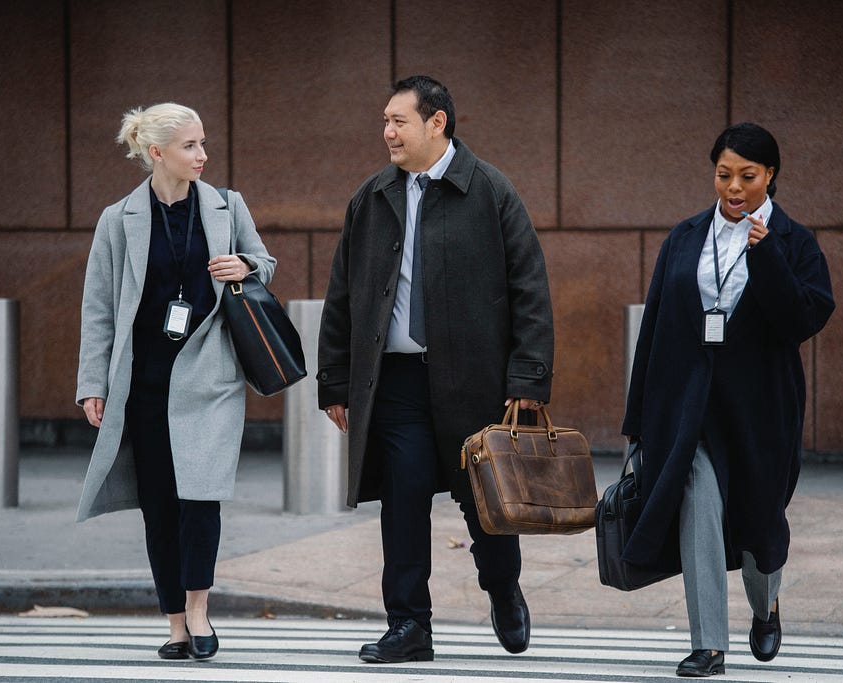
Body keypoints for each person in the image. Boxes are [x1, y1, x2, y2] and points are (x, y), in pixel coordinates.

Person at [317, 75, 554, 663]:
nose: (388, 132)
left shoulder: (490, 191)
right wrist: (335, 380)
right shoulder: (370, 198)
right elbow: (342, 295)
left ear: (437, 123)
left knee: (486, 504)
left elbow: (530, 289)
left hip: (475, 384)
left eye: (399, 121)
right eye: (385, 122)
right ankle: (409, 625)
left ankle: (502, 588)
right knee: (401, 505)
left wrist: (527, 378)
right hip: (395, 384)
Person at [621, 123, 834, 677]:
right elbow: (657, 328)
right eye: (723, 175)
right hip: (686, 408)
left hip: (761, 411)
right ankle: (709, 643)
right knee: (699, 507)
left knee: (761, 526)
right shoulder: (685, 237)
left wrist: (767, 260)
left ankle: (766, 606)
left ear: (771, 177)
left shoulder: (795, 243)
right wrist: (637, 420)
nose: (734, 188)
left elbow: (802, 321)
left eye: (747, 176)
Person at [75, 102, 275, 661]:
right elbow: (98, 308)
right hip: (143, 381)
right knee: (159, 503)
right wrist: (93, 382)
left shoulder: (226, 206)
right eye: (190, 145)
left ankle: (199, 609)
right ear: (156, 152)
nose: (203, 154)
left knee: (201, 498)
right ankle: (174, 624)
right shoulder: (118, 219)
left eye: (203, 143)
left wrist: (246, 267)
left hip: (209, 377)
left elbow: (265, 262)